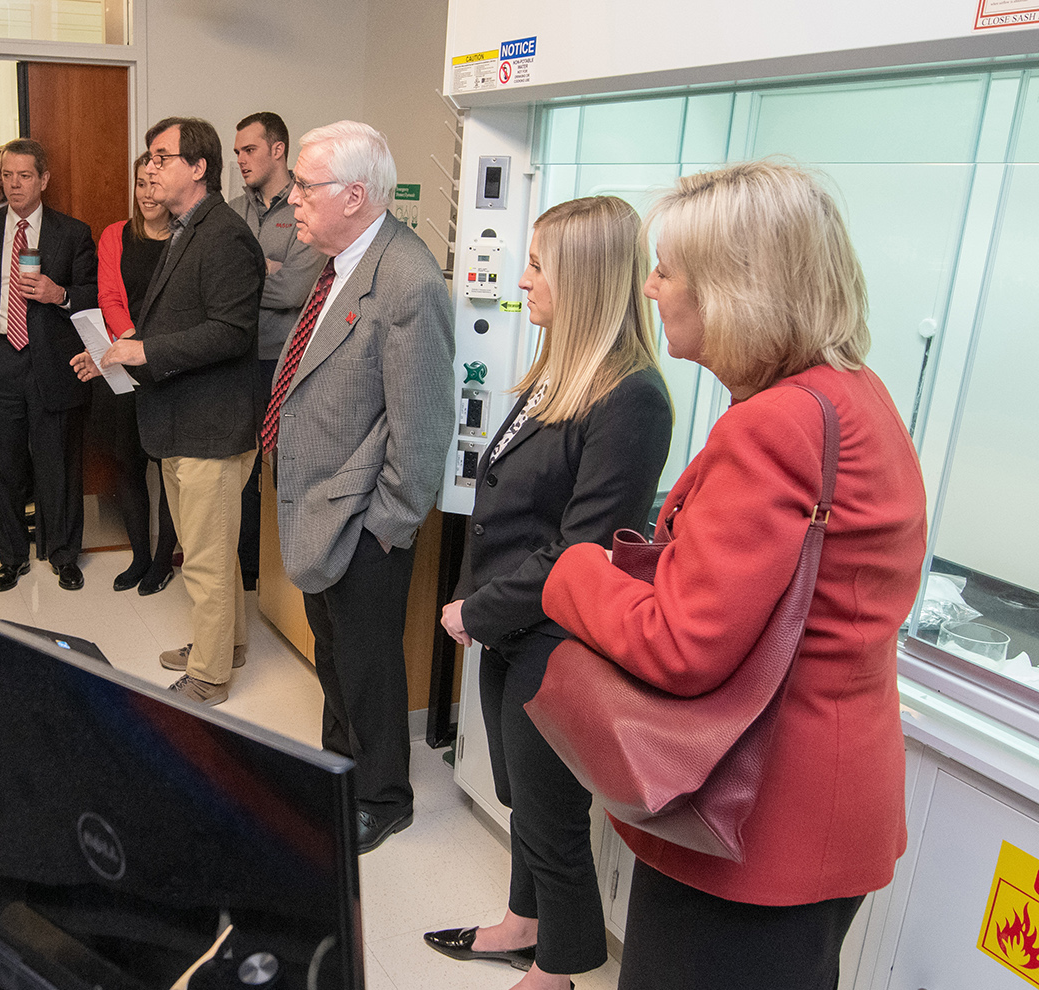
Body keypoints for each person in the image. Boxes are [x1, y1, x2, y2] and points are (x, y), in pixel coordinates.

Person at [540, 161, 925, 990]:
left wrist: (575, 571)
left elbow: (683, 646)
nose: (649, 288)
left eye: (667, 269)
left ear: (732, 288)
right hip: (830, 805)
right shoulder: (855, 393)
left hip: (755, 823)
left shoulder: (775, 425)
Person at [426, 196, 672, 987]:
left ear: (588, 278)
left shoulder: (631, 397)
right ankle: (523, 923)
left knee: (552, 815)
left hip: (558, 638)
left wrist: (477, 610)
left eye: (538, 264)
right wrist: (482, 608)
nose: (522, 279)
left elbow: (583, 548)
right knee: (520, 795)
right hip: (512, 626)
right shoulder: (555, 371)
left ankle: (558, 970)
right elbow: (504, 502)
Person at [266, 121, 456, 852]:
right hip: (322, 507)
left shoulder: (407, 279)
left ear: (353, 195)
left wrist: (389, 523)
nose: (291, 202)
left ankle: (383, 795)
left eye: (304, 188)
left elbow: (423, 424)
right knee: (335, 653)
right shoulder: (341, 260)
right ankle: (341, 768)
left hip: (365, 520)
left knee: (369, 664)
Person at [72, 116, 264, 707]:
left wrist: (144, 350)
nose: (149, 168)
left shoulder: (223, 234)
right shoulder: (190, 228)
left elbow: (232, 331)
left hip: (211, 423)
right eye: (149, 158)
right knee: (212, 553)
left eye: (161, 157)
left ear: (199, 167)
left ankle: (209, 676)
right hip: (182, 417)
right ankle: (222, 646)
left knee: (204, 560)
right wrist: (117, 357)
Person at [0, 138, 97, 593]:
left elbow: (95, 294)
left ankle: (63, 554)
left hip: (53, 361)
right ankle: (11, 557)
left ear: (44, 179)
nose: (13, 185)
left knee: (58, 464)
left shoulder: (71, 233)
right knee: (2, 466)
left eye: (24, 176)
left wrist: (61, 294)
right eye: (6, 176)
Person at [231, 111, 323, 592]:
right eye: (238, 151)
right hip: (236, 359)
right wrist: (262, 271)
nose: (240, 158)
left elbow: (297, 289)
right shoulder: (230, 211)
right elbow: (220, 286)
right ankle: (250, 569)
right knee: (243, 469)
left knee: (282, 467)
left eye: (249, 149)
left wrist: (247, 280)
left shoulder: (307, 208)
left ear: (278, 149)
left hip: (283, 362)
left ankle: (282, 575)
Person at [93, 153, 179, 596]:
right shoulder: (115, 235)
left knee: (169, 470)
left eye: (155, 183)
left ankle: (163, 561)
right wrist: (130, 344)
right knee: (128, 463)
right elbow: (109, 294)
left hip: (168, 367)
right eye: (141, 184)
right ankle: (140, 556)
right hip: (124, 366)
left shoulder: (185, 239)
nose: (147, 193)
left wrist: (151, 350)